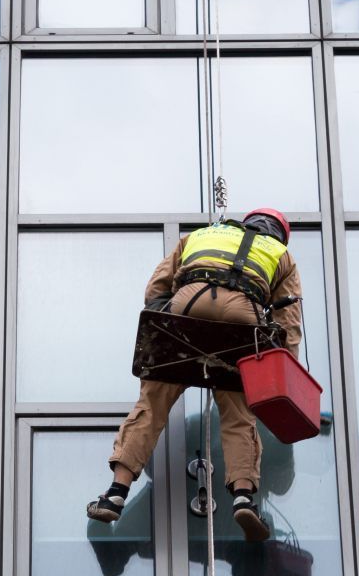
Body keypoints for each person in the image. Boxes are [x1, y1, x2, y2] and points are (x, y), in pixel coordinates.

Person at [88, 207, 303, 542]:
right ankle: (244, 498)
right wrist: (283, 377)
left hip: (186, 310)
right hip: (240, 321)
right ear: (279, 233)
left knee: (151, 405)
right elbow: (287, 321)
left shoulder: (200, 235)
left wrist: (166, 320)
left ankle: (116, 492)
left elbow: (156, 287)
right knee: (238, 416)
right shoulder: (280, 254)